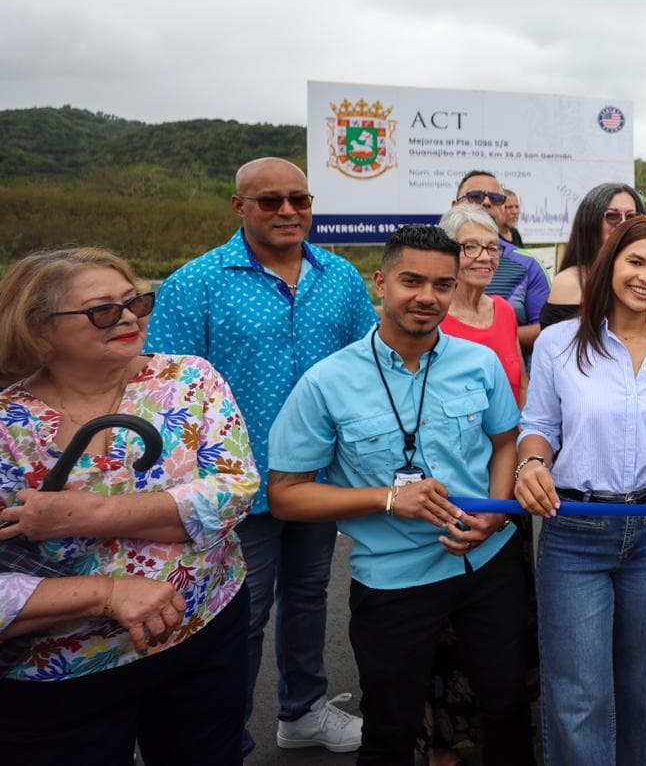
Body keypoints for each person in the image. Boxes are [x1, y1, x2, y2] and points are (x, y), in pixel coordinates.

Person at [267, 225, 533, 765]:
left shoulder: (477, 363)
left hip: (487, 565)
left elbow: (507, 442)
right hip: (392, 579)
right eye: (412, 281)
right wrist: (386, 499)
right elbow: (287, 496)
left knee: (507, 706)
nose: (427, 297)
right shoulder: (327, 381)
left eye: (442, 284)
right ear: (380, 282)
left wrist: (499, 516)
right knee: (391, 723)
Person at [145, 157, 372, 754]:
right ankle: (223, 738)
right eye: (270, 201)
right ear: (238, 207)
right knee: (236, 617)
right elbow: (164, 394)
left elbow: (364, 369)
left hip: (316, 478)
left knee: (308, 596)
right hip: (235, 487)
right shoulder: (194, 284)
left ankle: (302, 711)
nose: (288, 211)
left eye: (299, 199)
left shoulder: (341, 278)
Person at [0, 247, 259, 762]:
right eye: (102, 310)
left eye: (135, 303)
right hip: (62, 670)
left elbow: (232, 494)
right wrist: (105, 592)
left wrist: (84, 515)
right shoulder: (10, 425)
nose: (127, 318)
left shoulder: (188, 379)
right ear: (40, 329)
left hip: (202, 625)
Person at [515, 215, 646, 766]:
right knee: (580, 695)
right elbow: (539, 426)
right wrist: (532, 461)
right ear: (610, 265)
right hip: (574, 531)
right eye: (636, 261)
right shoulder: (558, 342)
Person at [430, 204, 534, 764]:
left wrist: (514, 484)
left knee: (501, 624)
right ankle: (445, 740)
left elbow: (516, 401)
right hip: (444, 494)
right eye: (468, 247)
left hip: (504, 487)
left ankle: (503, 730)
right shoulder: (431, 312)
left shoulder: (500, 312)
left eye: (491, 247)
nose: (481, 257)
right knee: (442, 629)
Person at [451, 171, 550, 353]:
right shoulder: (435, 257)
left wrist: (495, 333)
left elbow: (547, 329)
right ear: (455, 205)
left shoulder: (528, 264)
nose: (487, 202)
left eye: (496, 198)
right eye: (475, 196)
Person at [439, 205, 525, 404]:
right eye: (470, 247)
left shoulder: (504, 310)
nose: (485, 257)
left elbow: (522, 384)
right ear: (446, 251)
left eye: (492, 248)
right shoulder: (434, 318)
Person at [541, 183, 646, 328]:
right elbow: (558, 347)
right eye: (612, 216)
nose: (623, 223)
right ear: (591, 222)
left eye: (632, 217)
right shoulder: (571, 282)